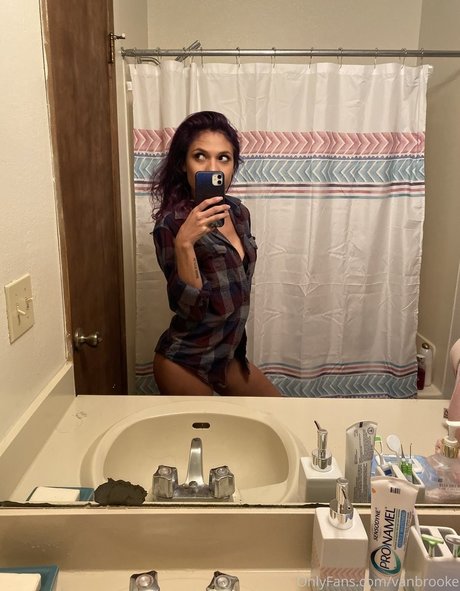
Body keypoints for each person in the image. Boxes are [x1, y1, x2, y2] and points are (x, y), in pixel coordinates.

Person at [151, 110, 281, 396]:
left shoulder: (239, 212)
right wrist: (185, 243)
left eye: (224, 158)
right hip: (185, 361)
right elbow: (190, 310)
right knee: (204, 428)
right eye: (200, 156)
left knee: (278, 410)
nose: (213, 168)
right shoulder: (171, 224)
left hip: (228, 357)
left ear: (233, 165)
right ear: (183, 164)